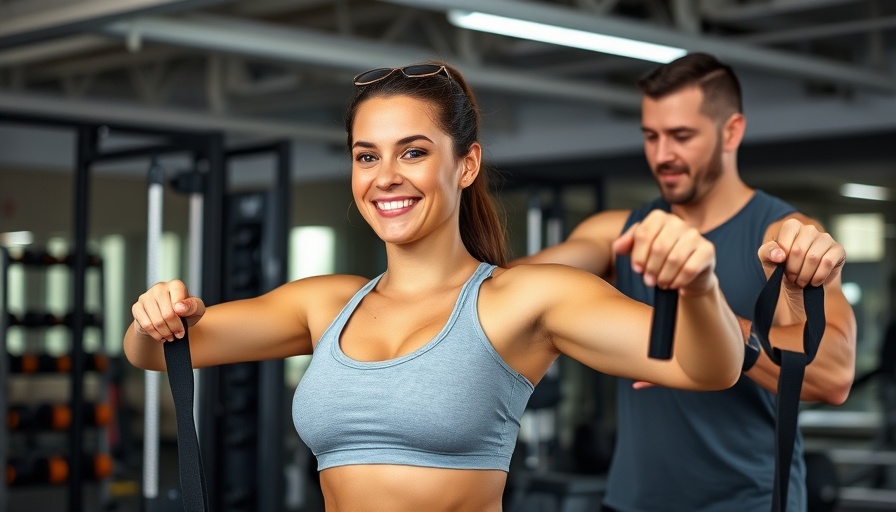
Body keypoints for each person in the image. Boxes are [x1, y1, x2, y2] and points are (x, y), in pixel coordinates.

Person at [124, 60, 746, 512]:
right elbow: (154, 351)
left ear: (466, 164)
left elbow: (709, 367)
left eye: (413, 152)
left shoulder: (522, 299)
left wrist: (699, 286)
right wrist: (153, 314)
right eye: (367, 156)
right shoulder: (324, 303)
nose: (386, 177)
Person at [512, 52, 857, 512]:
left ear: (731, 131)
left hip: (748, 504)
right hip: (631, 502)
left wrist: (706, 326)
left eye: (681, 136)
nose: (662, 155)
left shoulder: (778, 235)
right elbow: (511, 285)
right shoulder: (620, 232)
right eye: (651, 137)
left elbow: (833, 375)